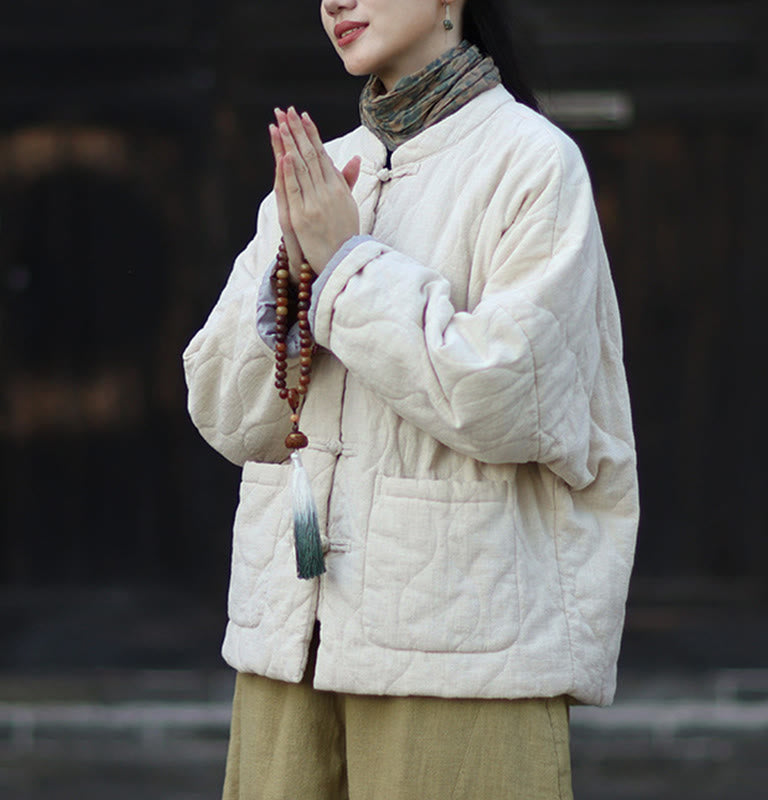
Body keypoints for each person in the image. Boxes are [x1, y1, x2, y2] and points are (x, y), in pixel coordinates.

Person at [183, 0, 639, 797]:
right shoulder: (319, 176)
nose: (336, 3)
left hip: (461, 656)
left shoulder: (533, 163)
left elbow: (503, 395)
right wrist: (294, 274)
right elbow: (223, 409)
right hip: (288, 651)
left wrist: (346, 265)